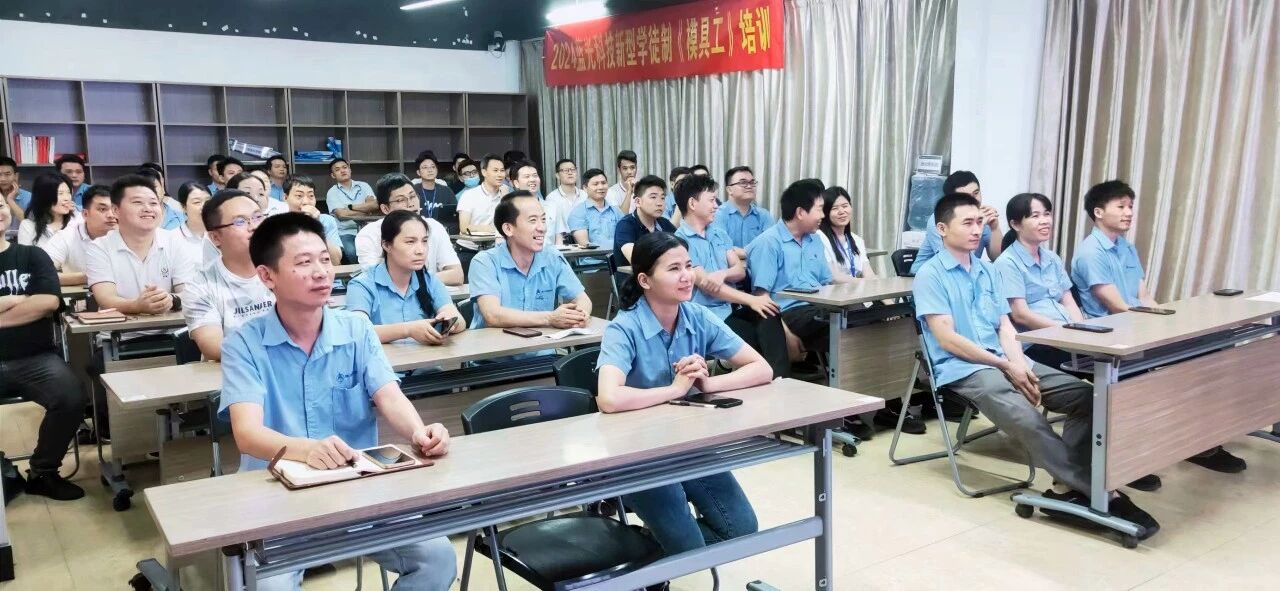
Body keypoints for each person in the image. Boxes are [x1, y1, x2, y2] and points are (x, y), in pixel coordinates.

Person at [219, 213, 457, 591]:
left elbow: (388, 395)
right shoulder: (244, 344)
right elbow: (247, 434)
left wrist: (419, 432)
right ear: (267, 276)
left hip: (358, 486)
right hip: (277, 496)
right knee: (269, 587)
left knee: (437, 558)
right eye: (303, 263)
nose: (320, 272)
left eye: (324, 260)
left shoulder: (355, 329)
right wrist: (308, 450)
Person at [913, 192, 1159, 535]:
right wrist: (1006, 367)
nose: (976, 230)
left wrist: (1018, 364)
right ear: (942, 229)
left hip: (1007, 357)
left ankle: (1065, 486)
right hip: (964, 368)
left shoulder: (987, 270)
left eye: (979, 222)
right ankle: (1100, 493)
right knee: (1027, 417)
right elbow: (947, 339)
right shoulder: (930, 274)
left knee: (1086, 397)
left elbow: (1004, 326)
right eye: (967, 223)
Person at [596, 231, 767, 554]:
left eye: (689, 266)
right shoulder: (624, 327)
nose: (687, 276)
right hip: (637, 454)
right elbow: (609, 398)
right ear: (645, 280)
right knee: (687, 546)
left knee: (742, 529)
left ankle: (649, 543)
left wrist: (708, 384)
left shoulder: (696, 316)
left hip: (687, 443)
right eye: (674, 269)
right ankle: (654, 546)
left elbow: (761, 368)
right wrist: (674, 389)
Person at [1071, 180, 1246, 474]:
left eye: (1130, 206)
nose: (1129, 212)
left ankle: (1200, 444)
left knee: (1210, 352)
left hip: (1139, 327)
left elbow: (1144, 297)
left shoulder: (1126, 247)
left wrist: (1168, 322)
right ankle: (1128, 461)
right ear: (1098, 212)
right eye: (1121, 206)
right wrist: (1157, 328)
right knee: (1158, 379)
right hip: (1113, 338)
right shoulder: (1090, 252)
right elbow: (1117, 306)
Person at [0, 198, 88, 500]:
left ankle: (43, 472)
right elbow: (34, 301)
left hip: (34, 358)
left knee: (72, 396)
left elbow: (48, 301)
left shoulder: (31, 255)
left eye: (0, 205)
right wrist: (18, 299)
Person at [673, 174, 790, 379]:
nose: (716, 206)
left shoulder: (718, 233)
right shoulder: (679, 242)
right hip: (704, 316)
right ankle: (761, 376)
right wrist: (751, 299)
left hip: (729, 310)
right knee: (754, 333)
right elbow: (707, 285)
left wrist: (722, 273)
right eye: (711, 200)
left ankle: (780, 379)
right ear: (692, 203)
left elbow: (739, 271)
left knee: (768, 311)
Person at [747, 179, 850, 362]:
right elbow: (761, 298)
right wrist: (784, 333)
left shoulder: (815, 240)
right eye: (819, 209)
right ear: (801, 212)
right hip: (791, 313)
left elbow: (826, 282)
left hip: (819, 306)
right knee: (844, 326)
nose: (823, 215)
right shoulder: (769, 243)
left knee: (867, 316)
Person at [469, 191, 592, 329]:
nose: (542, 228)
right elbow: (493, 315)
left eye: (543, 220)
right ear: (508, 229)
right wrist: (550, 318)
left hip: (542, 342)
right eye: (533, 220)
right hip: (496, 342)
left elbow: (582, 298)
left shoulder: (552, 257)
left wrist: (580, 316)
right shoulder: (485, 262)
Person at [993, 193, 1084, 370]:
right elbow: (1020, 314)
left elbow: (1068, 300)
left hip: (1067, 337)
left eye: (1047, 214)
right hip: (1037, 344)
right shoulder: (1007, 263)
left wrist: (1081, 329)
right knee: (1102, 366)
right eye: (1035, 216)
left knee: (1114, 360)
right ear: (1015, 224)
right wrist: (1066, 331)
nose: (1045, 221)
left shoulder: (1052, 258)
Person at [348, 210, 465, 344]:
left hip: (425, 357)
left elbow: (459, 321)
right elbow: (358, 331)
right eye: (410, 242)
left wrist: (449, 321)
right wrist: (408, 330)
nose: (420, 250)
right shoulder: (362, 285)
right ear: (387, 245)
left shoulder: (429, 280)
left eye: (424, 241)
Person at [183, 190, 273, 361]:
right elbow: (215, 347)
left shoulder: (286, 268)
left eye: (257, 217)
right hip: (234, 372)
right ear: (216, 237)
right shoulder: (200, 286)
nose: (254, 226)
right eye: (240, 221)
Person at [84, 174, 194, 315]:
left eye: (153, 203)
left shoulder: (175, 241)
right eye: (137, 202)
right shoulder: (99, 247)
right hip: (120, 327)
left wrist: (171, 300)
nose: (148, 208)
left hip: (171, 325)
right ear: (116, 210)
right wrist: (137, 306)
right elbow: (105, 299)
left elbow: (189, 292)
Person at [355, 173, 463, 286]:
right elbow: (375, 279)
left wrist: (418, 281)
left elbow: (456, 275)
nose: (410, 204)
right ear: (385, 208)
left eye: (412, 196)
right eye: (400, 200)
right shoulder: (369, 234)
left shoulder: (434, 227)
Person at [910, 170, 1002, 273]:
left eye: (976, 193)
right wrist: (978, 225)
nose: (974, 200)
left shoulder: (982, 216)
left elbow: (997, 257)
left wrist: (994, 228)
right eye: (965, 197)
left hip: (965, 274)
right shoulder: (939, 219)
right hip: (927, 276)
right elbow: (952, 261)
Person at [42, 185, 116, 286]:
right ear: (85, 214)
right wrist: (90, 277)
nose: (111, 215)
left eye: (115, 209)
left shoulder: (129, 234)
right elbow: (40, 273)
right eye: (103, 209)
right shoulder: (67, 236)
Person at [815, 187, 877, 281]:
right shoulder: (819, 237)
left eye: (845, 206)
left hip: (856, 289)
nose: (842, 212)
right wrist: (863, 282)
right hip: (831, 290)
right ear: (825, 213)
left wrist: (874, 281)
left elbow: (868, 273)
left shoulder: (857, 240)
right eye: (835, 208)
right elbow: (833, 277)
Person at [279, 175, 344, 264]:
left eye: (311, 196)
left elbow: (335, 261)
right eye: (299, 196)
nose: (306, 202)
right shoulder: (277, 223)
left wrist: (316, 226)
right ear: (285, 198)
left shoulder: (327, 220)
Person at [613, 175, 675, 264]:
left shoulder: (664, 223)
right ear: (638, 202)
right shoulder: (625, 225)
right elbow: (635, 260)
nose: (660, 203)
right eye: (653, 197)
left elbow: (681, 248)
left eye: (662, 198)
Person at [325, 158, 377, 262]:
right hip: (345, 232)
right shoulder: (332, 192)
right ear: (333, 175)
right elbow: (341, 215)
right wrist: (366, 210)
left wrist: (350, 207)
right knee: (352, 252)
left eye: (345, 167)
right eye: (337, 169)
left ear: (350, 169)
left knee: (378, 250)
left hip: (367, 228)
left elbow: (374, 206)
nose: (342, 171)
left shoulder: (364, 186)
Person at [715, 166, 773, 252]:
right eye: (743, 183)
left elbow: (771, 247)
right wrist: (752, 253)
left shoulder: (764, 215)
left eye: (752, 182)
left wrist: (742, 253)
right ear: (729, 189)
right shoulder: (718, 214)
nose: (749, 186)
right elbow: (720, 248)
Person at [456, 154, 509, 246]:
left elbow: (510, 224)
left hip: (495, 247)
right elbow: (464, 228)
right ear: (484, 172)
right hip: (468, 249)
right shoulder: (469, 195)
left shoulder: (506, 194)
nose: (500, 174)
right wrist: (490, 229)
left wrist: (505, 200)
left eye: (502, 170)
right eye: (495, 170)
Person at [568, 168, 624, 251]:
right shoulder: (578, 213)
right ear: (585, 188)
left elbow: (626, 236)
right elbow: (585, 244)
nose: (601, 187)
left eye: (603, 183)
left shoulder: (616, 211)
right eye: (595, 184)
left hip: (618, 257)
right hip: (593, 258)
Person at [18, 172, 77, 247]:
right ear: (44, 196)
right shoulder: (28, 226)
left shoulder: (76, 221)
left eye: (68, 192)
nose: (66, 198)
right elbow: (25, 253)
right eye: (60, 193)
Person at [509, 160, 556, 246]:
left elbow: (558, 238)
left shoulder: (552, 206)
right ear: (516, 183)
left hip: (549, 253)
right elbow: (501, 241)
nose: (532, 179)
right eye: (527, 177)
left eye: (535, 176)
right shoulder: (508, 209)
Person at [173, 182, 220, 268]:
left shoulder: (220, 234)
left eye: (208, 201)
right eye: (197, 202)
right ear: (183, 207)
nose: (204, 206)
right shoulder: (173, 239)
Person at [410, 151, 457, 225]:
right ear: (418, 172)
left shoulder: (446, 191)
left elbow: (454, 215)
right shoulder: (412, 191)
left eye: (433, 167)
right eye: (425, 167)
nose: (430, 170)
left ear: (437, 170)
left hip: (442, 229)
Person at [544, 158, 584, 245]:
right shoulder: (552, 198)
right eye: (565, 170)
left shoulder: (585, 195)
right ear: (557, 175)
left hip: (584, 239)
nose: (570, 173)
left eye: (573, 169)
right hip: (563, 241)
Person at [0, 156, 31, 232]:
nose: (2, 179)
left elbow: (30, 226)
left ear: (16, 176)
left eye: (7, 174)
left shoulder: (29, 197)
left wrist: (10, 200)